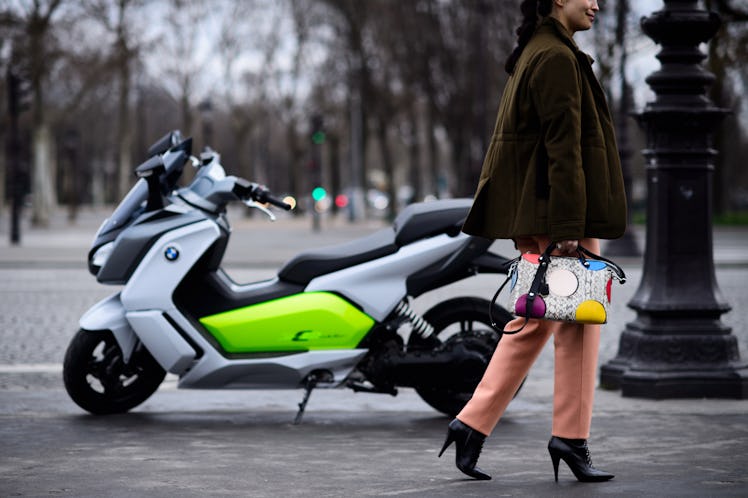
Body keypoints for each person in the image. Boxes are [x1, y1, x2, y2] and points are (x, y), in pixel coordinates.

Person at [438, 0, 627, 483]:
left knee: (558, 320)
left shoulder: (543, 51)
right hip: (560, 213)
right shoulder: (556, 58)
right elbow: (563, 150)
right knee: (560, 321)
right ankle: (542, 433)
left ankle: (502, 427)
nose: (597, 4)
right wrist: (566, 231)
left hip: (554, 210)